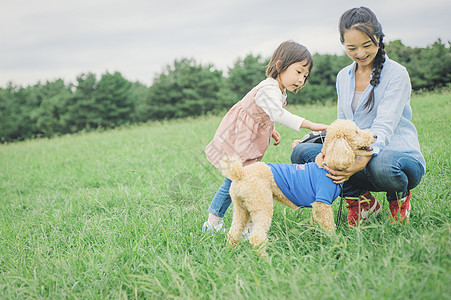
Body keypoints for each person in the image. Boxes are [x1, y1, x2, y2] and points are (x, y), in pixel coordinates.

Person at [291, 7, 425, 226]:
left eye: (367, 45)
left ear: (379, 40)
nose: (360, 53)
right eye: (352, 47)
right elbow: (342, 125)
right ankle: (362, 202)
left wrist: (361, 161)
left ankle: (399, 199)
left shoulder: (396, 73)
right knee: (302, 153)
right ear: (343, 43)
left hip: (397, 155)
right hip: (357, 153)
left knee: (384, 166)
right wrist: (324, 147)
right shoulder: (343, 77)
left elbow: (384, 126)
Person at [203, 40, 328, 233]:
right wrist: (310, 125)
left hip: (249, 137)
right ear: (280, 66)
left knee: (246, 180)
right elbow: (278, 114)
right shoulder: (268, 89)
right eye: (298, 71)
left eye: (305, 75)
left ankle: (246, 226)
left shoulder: (279, 89)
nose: (302, 79)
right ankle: (213, 223)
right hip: (241, 138)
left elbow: (266, 114)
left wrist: (270, 130)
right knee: (237, 179)